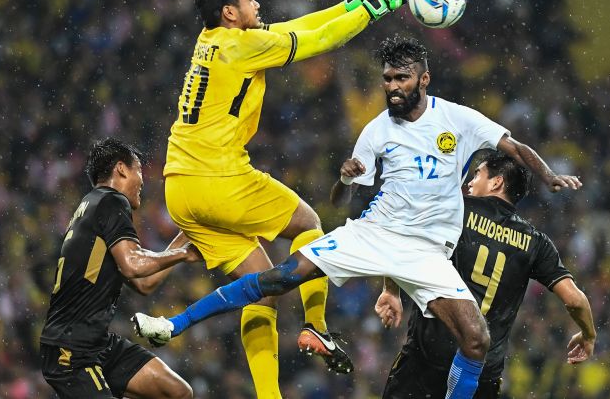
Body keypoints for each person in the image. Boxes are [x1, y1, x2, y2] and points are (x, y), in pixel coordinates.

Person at [132, 36, 581, 399]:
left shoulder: (458, 120)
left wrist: (548, 174)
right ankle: (173, 324)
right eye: (387, 79)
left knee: (477, 340)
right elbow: (345, 193)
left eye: (401, 78)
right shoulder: (377, 129)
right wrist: (344, 179)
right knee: (283, 276)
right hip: (374, 232)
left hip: (426, 253)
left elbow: (513, 147)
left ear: (424, 78)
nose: (392, 88)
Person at [155, 0, 407, 396]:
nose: (257, 3)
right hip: (220, 176)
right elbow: (318, 41)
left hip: (179, 187)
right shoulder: (241, 45)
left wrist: (350, 2)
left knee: (262, 289)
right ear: (230, 12)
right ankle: (317, 327)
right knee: (309, 224)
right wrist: (372, 10)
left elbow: (295, 27)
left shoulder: (212, 42)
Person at [377, 151, 597, 399]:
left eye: (477, 174)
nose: (470, 182)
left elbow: (400, 234)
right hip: (482, 373)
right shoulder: (537, 243)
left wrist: (390, 290)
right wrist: (588, 335)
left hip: (426, 361)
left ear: (497, 182)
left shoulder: (455, 210)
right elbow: (575, 300)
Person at [39, 138, 202, 399]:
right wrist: (182, 253)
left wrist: (187, 236)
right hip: (70, 351)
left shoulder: (92, 205)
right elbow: (132, 265)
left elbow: (143, 282)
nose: (142, 180)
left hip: (96, 343)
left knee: (176, 392)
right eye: (139, 170)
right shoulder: (111, 201)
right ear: (121, 169)